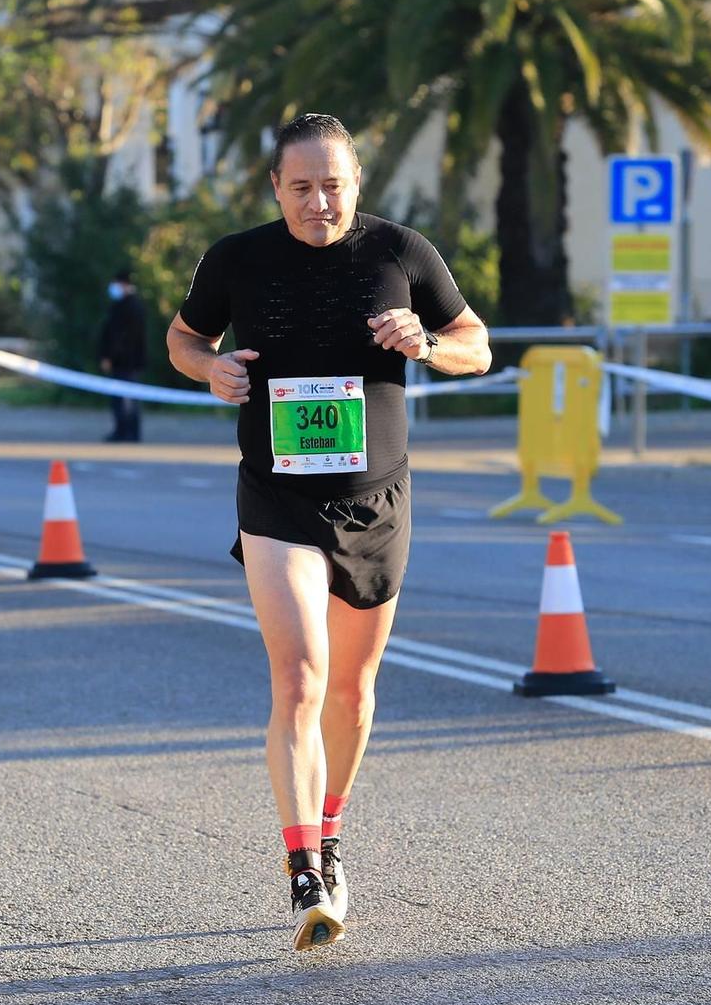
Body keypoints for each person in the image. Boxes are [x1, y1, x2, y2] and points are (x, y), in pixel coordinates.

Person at [167, 113, 491, 951]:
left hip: (377, 501)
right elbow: (184, 337)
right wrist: (213, 369)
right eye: (302, 187)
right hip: (277, 497)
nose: (319, 202)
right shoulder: (236, 259)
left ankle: (332, 828)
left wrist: (426, 342)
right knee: (302, 677)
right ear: (275, 187)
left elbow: (477, 345)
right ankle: (304, 866)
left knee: (351, 690)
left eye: (334, 186)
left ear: (357, 182)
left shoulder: (400, 252)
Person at [97, 268, 148, 442]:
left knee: (126, 400)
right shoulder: (125, 305)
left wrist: (110, 356)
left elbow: (120, 337)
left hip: (126, 362)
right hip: (127, 362)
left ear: (124, 284)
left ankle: (127, 433)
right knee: (123, 399)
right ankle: (124, 431)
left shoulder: (129, 307)